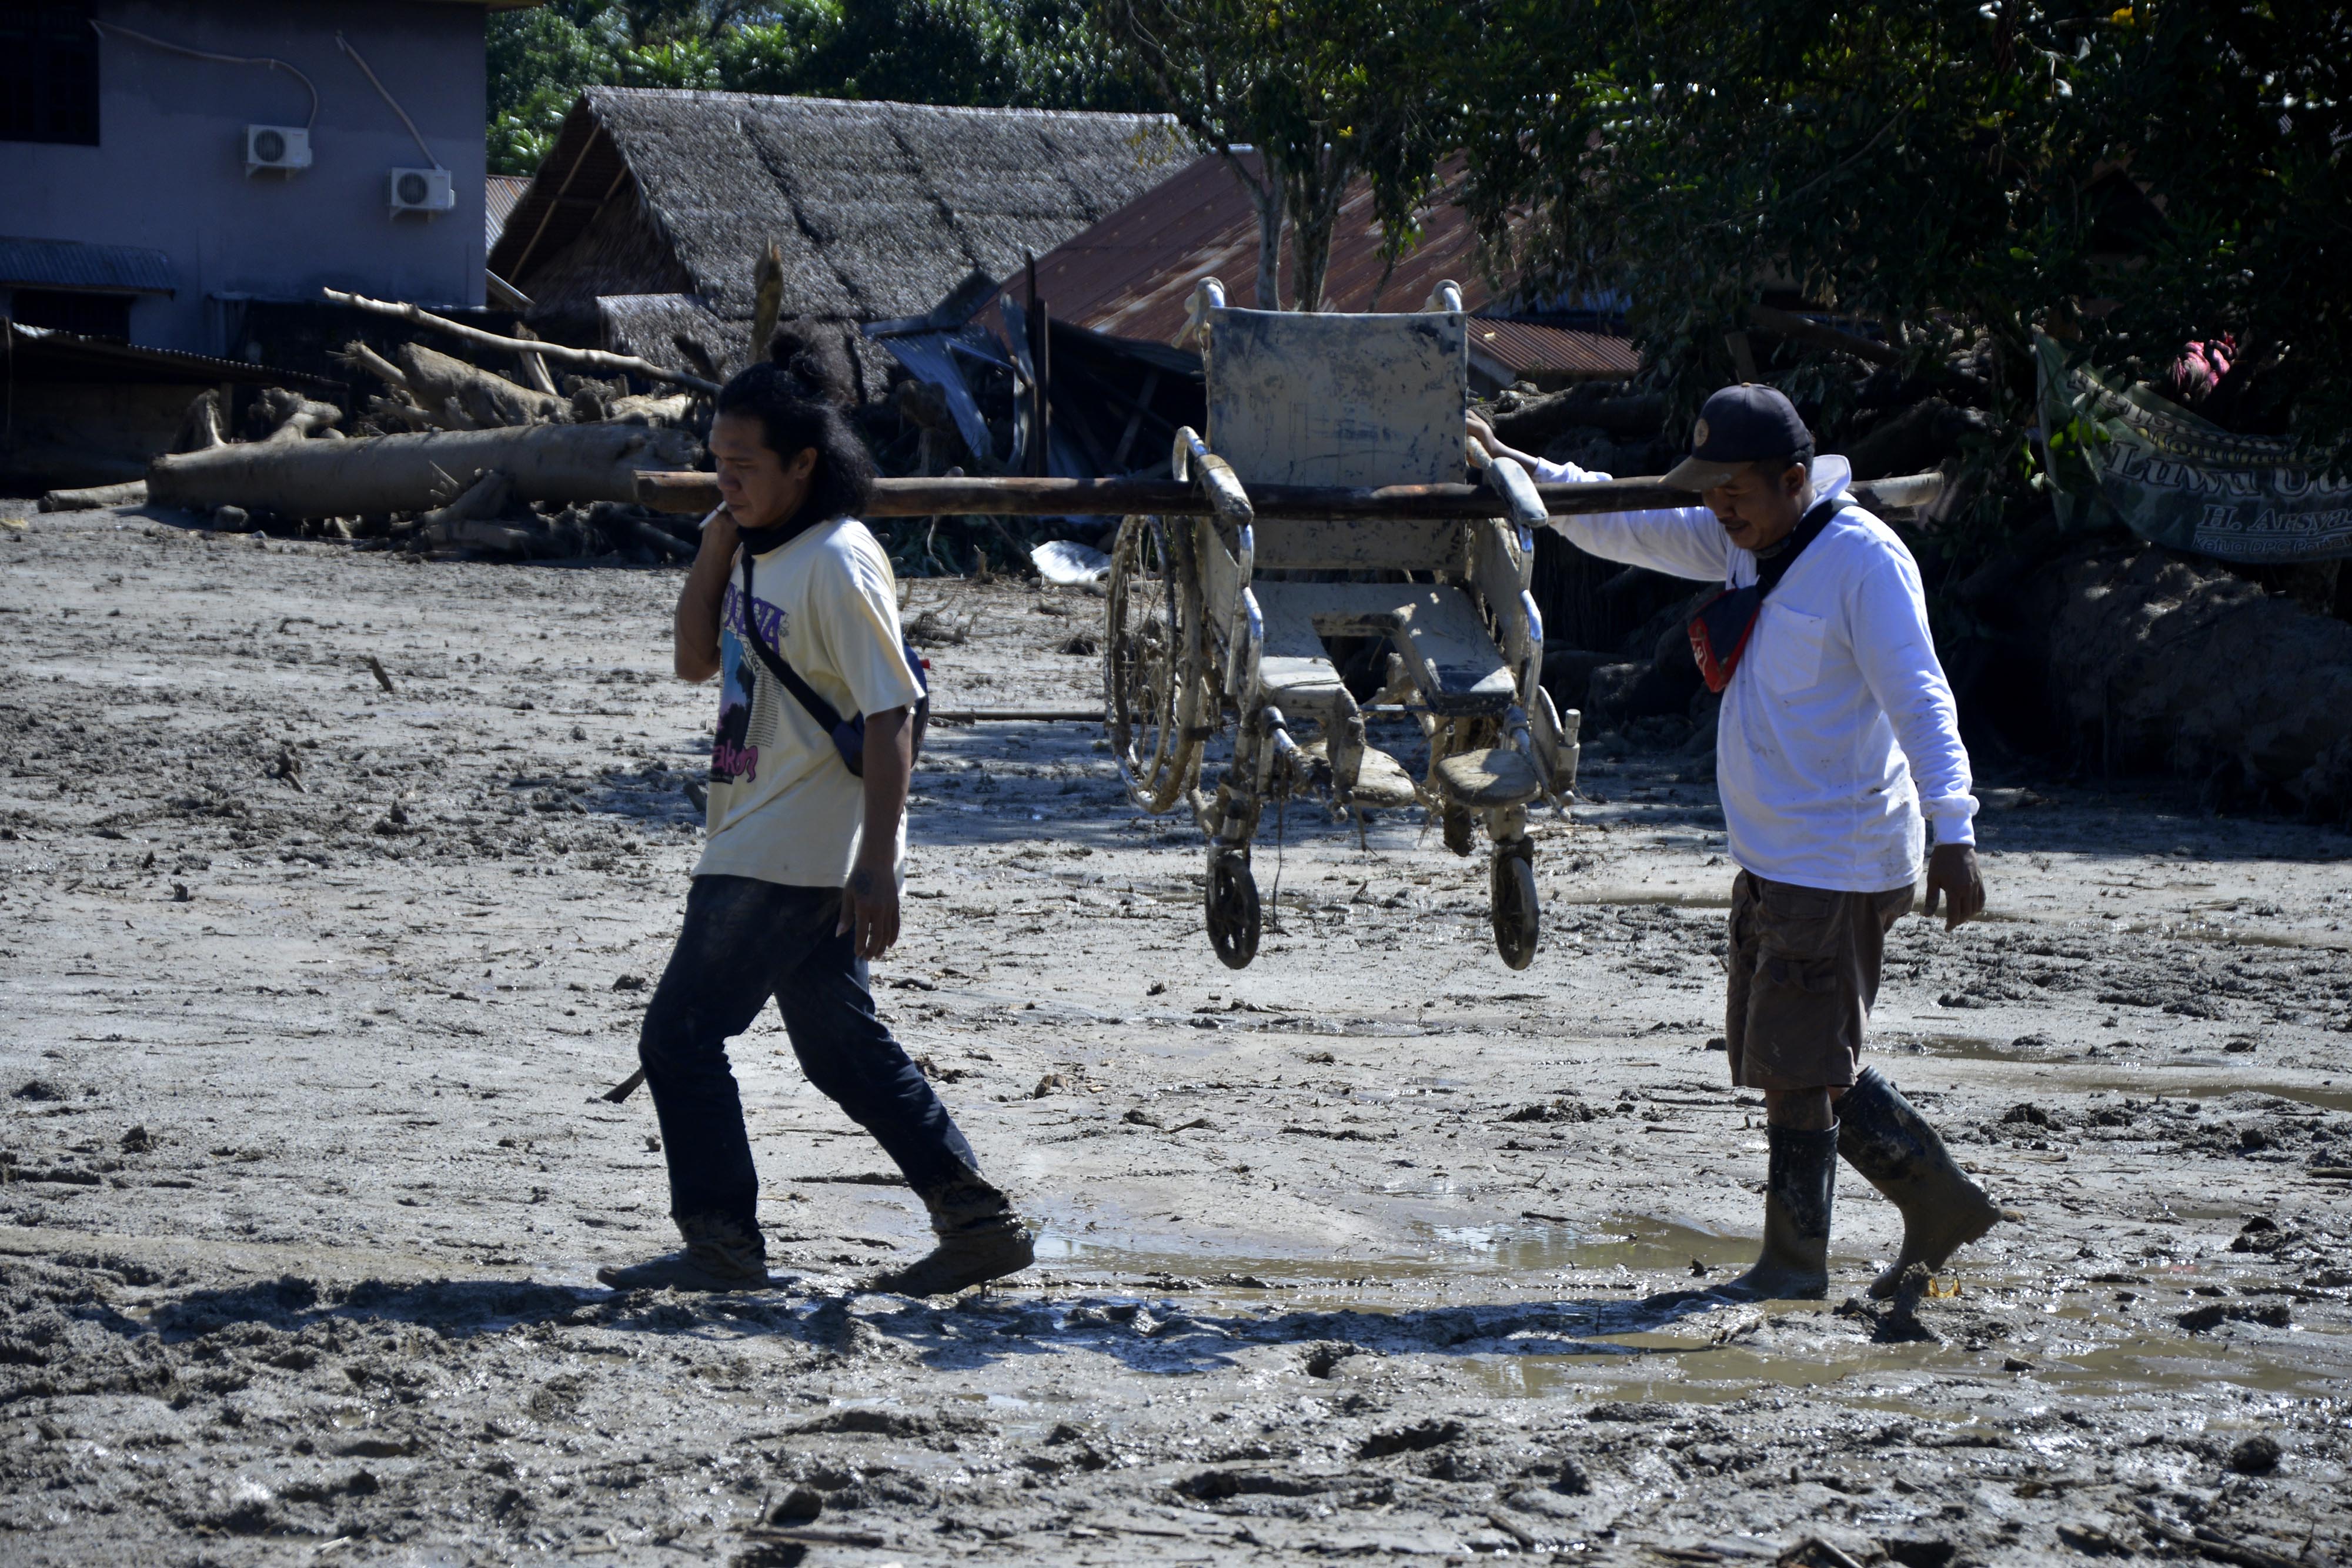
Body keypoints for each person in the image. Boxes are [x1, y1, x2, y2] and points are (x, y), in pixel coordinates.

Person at [1471, 384, 2006, 1302]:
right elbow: (1626, 519)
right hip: (1775, 860)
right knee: (1790, 1055)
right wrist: (1515, 473)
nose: (1721, 511)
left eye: (1737, 494)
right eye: (1712, 495)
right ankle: (1940, 1198)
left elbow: (1923, 699)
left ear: (1795, 480)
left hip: (1836, 862)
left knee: (1797, 1065)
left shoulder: (1861, 563)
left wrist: (1953, 829)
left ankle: (1794, 1265)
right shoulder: (1747, 542)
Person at [597, 329, 1034, 1297]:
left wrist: (878, 864)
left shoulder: (839, 560)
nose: (727, 481)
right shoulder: (762, 547)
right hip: (770, 829)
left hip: (795, 845)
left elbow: (893, 712)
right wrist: (716, 541)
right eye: (716, 463)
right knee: (840, 1049)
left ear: (806, 463)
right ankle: (978, 1223)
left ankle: (721, 1249)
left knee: (678, 1035)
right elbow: (694, 663)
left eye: (744, 468)